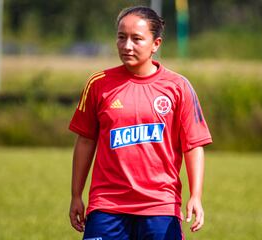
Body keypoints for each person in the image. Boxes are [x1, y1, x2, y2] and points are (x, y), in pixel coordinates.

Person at [69, 6, 212, 240]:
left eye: (136, 39)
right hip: (107, 205)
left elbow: (193, 145)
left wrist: (196, 195)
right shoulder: (98, 84)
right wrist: (76, 195)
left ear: (156, 44)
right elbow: (85, 140)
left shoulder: (178, 87)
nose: (127, 46)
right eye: (121, 37)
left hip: (160, 206)